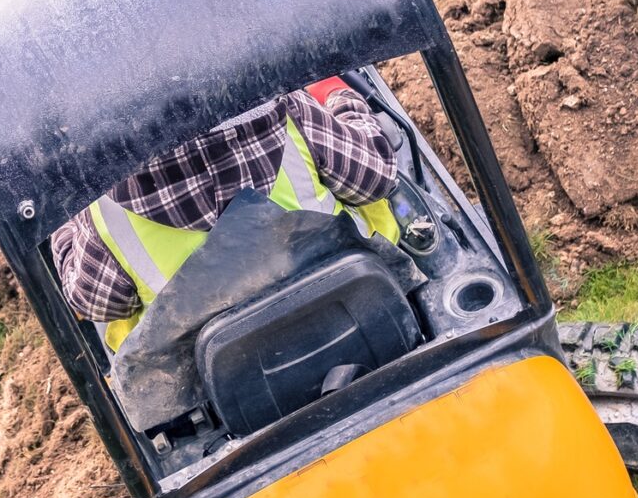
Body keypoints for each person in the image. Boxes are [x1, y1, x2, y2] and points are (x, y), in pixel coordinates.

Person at [52, 76, 402, 350]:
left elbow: (95, 303)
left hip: (225, 376)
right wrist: (343, 102)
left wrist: (67, 219)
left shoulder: (103, 215)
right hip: (358, 305)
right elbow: (375, 175)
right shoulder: (291, 116)